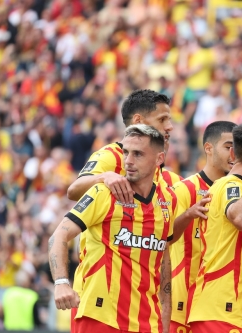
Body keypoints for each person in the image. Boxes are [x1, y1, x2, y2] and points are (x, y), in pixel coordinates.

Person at [49, 124, 176, 333]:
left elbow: (163, 260)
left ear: (159, 159)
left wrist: (165, 314)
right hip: (99, 318)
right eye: (126, 152)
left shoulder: (168, 200)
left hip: (147, 322)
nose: (129, 161)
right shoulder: (103, 193)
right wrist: (61, 282)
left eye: (138, 154)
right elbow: (59, 236)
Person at [170, 121, 242, 333]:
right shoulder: (185, 190)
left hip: (221, 306)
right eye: (229, 145)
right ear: (209, 148)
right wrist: (187, 215)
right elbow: (162, 238)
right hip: (187, 305)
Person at [67, 89, 182, 204]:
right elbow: (73, 191)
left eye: (169, 120)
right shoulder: (112, 155)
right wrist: (104, 177)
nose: (169, 127)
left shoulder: (167, 175)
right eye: (162, 119)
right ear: (138, 121)